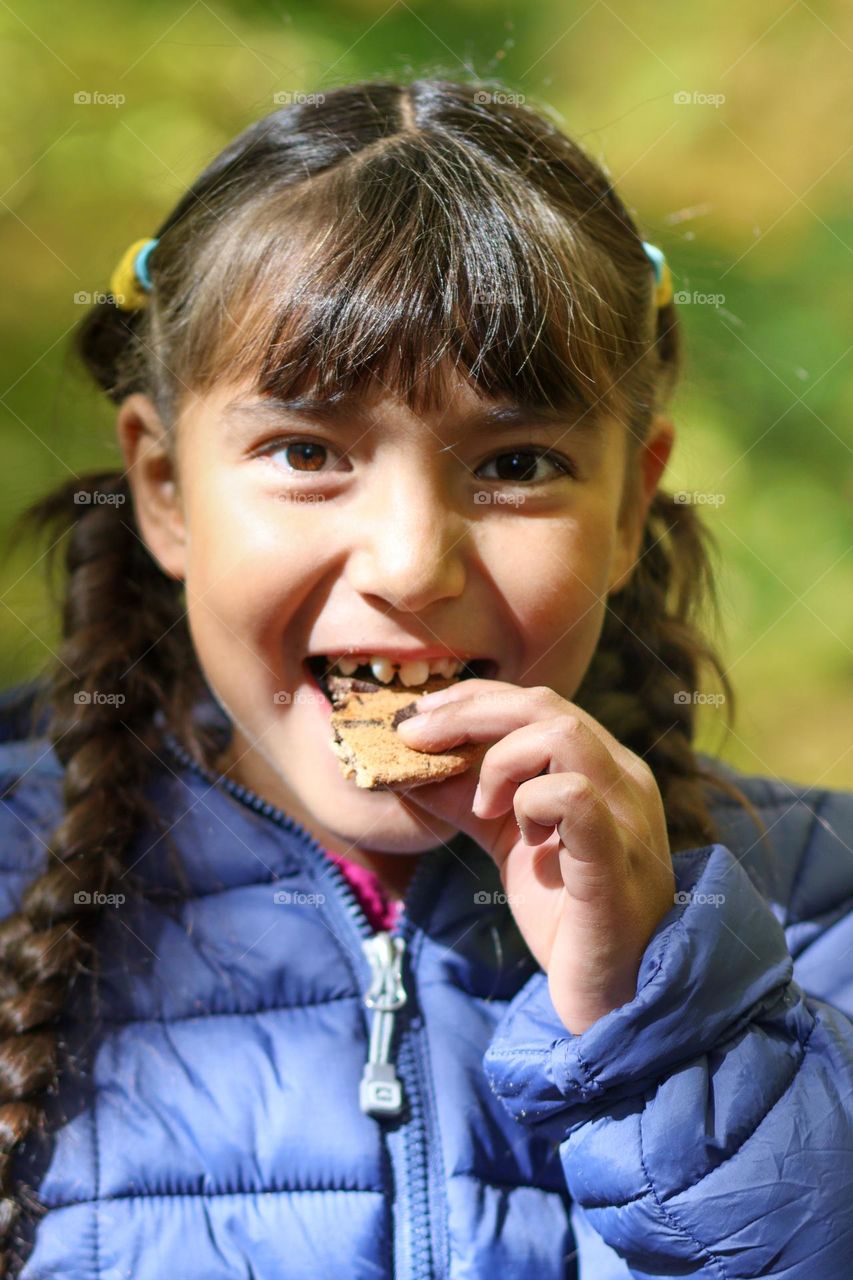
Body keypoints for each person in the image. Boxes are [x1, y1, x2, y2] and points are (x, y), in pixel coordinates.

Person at [0, 77, 850, 1279]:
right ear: (164, 487)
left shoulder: (823, 914)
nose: (410, 563)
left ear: (628, 502)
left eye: (514, 462)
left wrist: (656, 1012)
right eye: (306, 451)